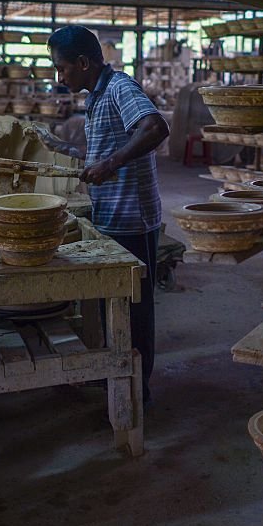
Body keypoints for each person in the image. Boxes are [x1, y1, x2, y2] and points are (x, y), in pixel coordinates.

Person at [38, 26, 169, 402]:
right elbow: (100, 155)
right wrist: (59, 145)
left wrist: (111, 163)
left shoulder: (119, 88)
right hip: (110, 217)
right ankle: (117, 376)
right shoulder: (97, 97)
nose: (58, 77)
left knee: (135, 310)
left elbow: (156, 127)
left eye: (61, 68)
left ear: (83, 62)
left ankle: (137, 391)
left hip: (133, 220)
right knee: (114, 307)